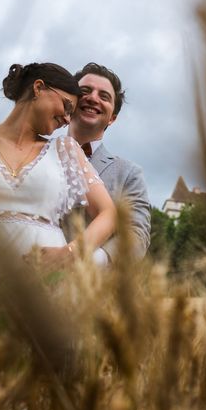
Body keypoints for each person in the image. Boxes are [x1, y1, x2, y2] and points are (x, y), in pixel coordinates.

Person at [0, 62, 116, 268]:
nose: (68, 119)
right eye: (67, 106)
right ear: (39, 87)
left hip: (44, 281)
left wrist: (69, 254)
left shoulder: (65, 150)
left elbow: (109, 213)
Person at [68, 62, 150, 264]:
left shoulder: (129, 173)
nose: (93, 97)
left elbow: (136, 235)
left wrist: (90, 265)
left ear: (112, 118)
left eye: (104, 96)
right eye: (85, 91)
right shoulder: (37, 152)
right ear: (69, 101)